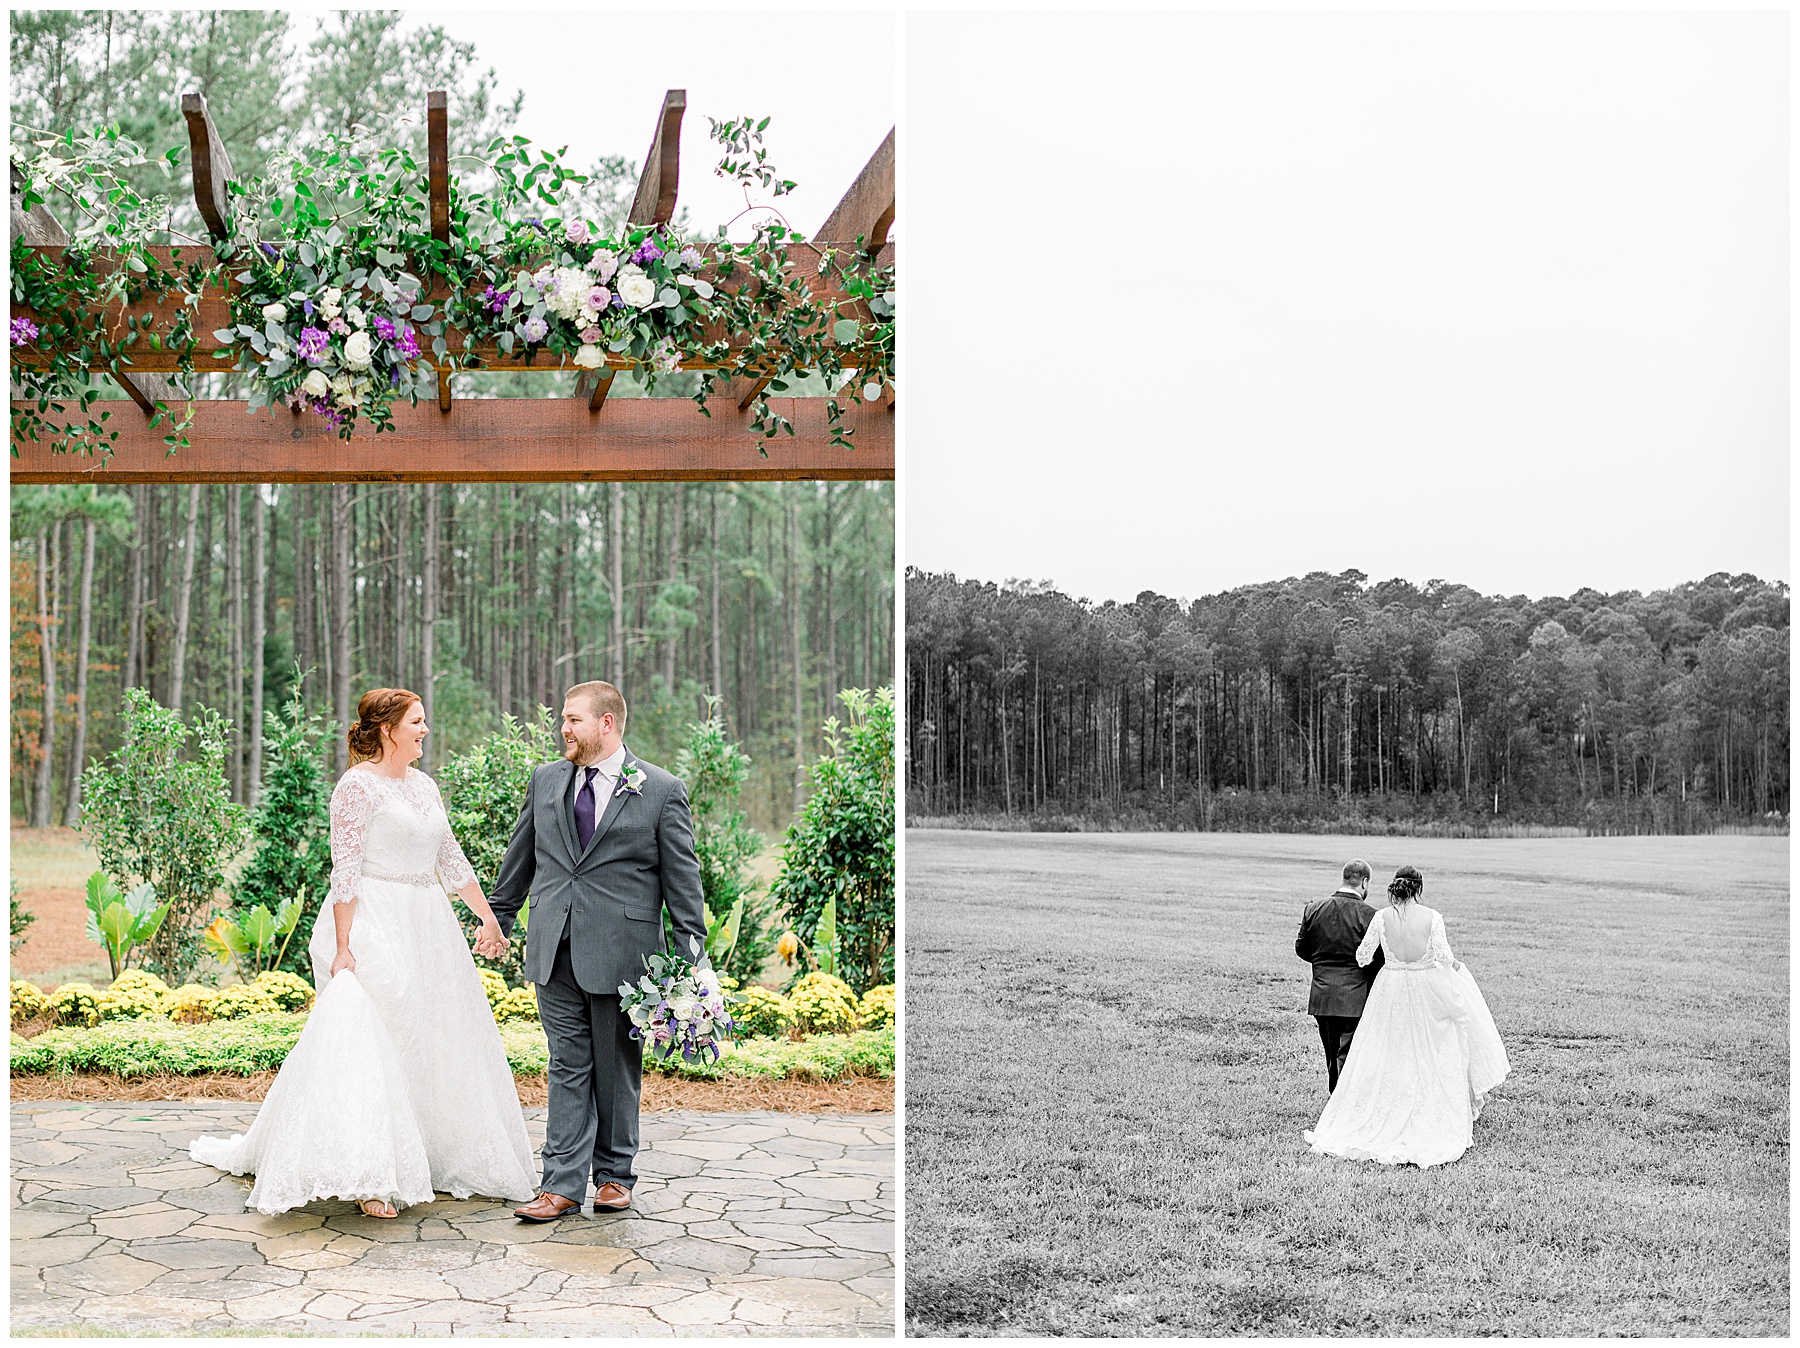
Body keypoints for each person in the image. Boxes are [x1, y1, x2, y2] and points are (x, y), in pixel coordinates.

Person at [189, 689, 537, 1217]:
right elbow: (345, 869)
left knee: (431, 1037)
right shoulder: (356, 787)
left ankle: (419, 1153)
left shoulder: (424, 785)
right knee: (378, 1039)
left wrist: (487, 916)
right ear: (387, 728)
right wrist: (344, 947)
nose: (425, 730)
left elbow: (451, 857)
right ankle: (370, 1173)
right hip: (373, 920)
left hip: (428, 925)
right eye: (417, 722)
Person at [487, 681, 708, 1222]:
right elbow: (521, 860)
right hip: (552, 948)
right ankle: (560, 1185)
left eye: (573, 720)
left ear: (607, 723)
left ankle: (613, 1175)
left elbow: (683, 884)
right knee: (567, 1064)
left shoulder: (659, 790)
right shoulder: (545, 781)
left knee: (614, 1068)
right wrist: (497, 921)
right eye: (564, 719)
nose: (563, 728)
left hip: (624, 956)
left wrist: (688, 964)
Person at [1304, 865, 1511, 1167]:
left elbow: (1362, 956)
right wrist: (1456, 969)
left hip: (1390, 988)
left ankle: (1380, 1111)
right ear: (1419, 889)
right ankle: (1427, 1111)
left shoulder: (1381, 917)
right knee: (1430, 1050)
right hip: (1425, 989)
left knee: (1387, 1048)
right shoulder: (1432, 917)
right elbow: (1442, 954)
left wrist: (1391, 960)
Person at [1294, 859, 1384, 1092]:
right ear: (1364, 882)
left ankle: (1337, 1099)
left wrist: (1323, 964)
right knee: (1346, 1055)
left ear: (1344, 878)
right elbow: (1379, 958)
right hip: (1354, 997)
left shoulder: (1314, 909)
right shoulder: (1369, 915)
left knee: (1332, 1053)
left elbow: (1302, 949)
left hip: (1322, 995)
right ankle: (1342, 1103)